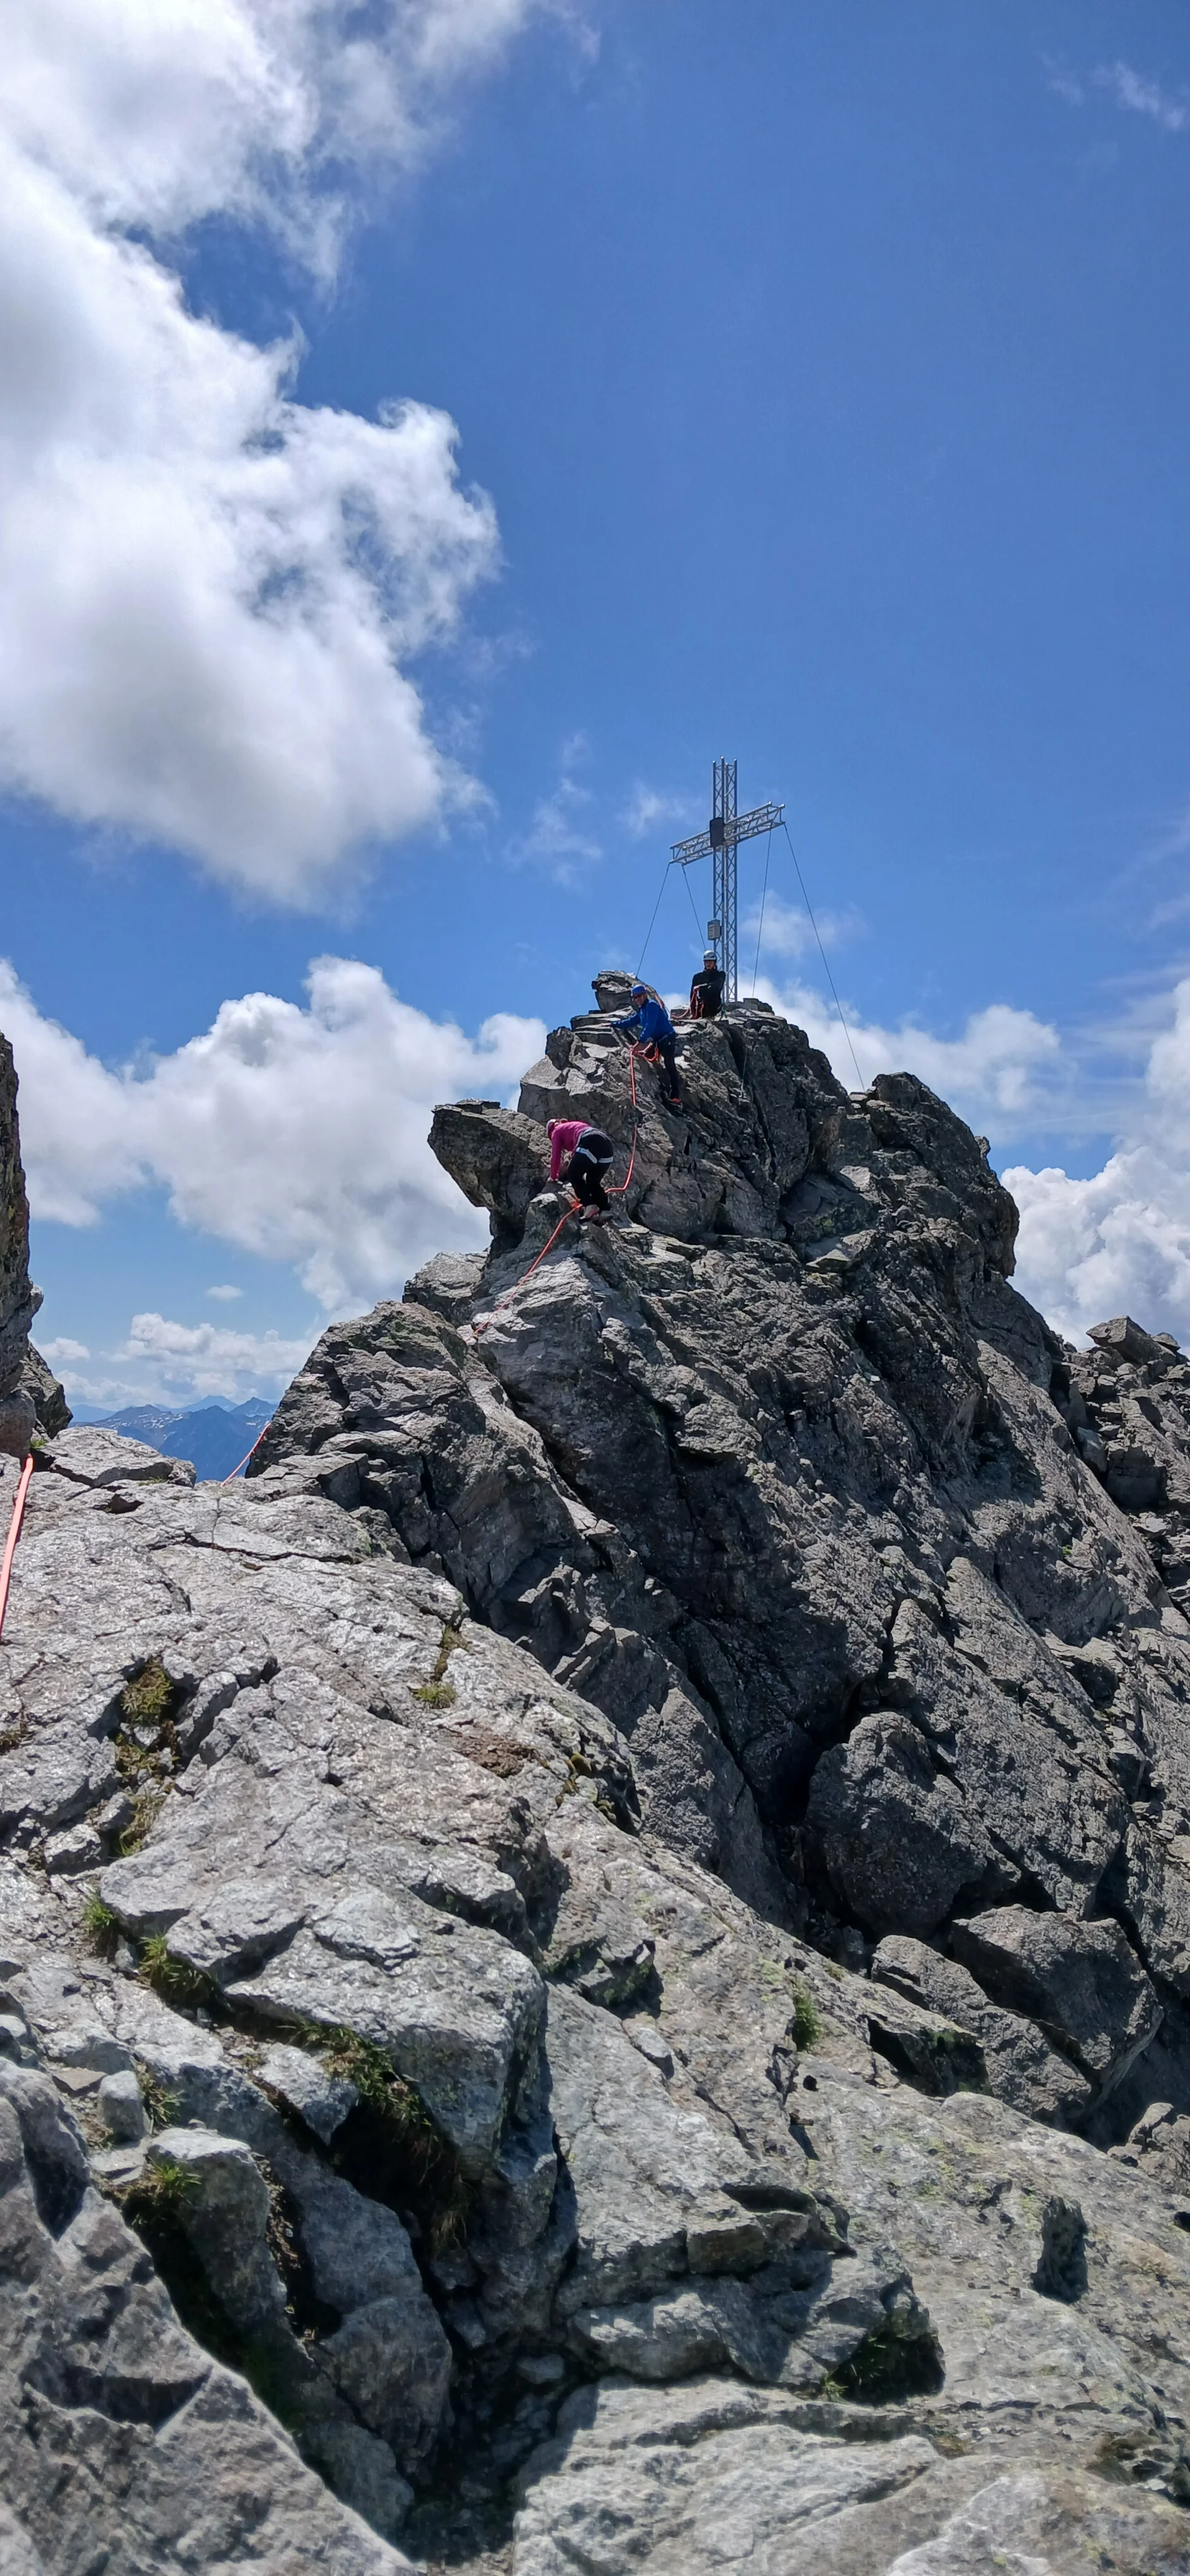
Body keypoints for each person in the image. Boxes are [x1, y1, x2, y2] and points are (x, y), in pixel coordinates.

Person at [611, 984, 683, 1109]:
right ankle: (661, 1087)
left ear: (645, 995)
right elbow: (630, 1021)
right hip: (658, 1041)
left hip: (667, 1039)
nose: (637, 999)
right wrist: (613, 1025)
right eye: (635, 998)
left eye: (639, 996)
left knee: (669, 1063)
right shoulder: (642, 1011)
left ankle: (676, 1096)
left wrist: (640, 1043)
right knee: (646, 1057)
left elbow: (650, 1026)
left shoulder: (652, 1006)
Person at [547, 1118, 615, 1220]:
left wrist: (553, 1177)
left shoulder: (556, 1131)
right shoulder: (573, 1125)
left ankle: (589, 1205)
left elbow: (556, 1156)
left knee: (573, 1174)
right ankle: (605, 1210)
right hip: (607, 1147)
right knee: (593, 1182)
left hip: (590, 1140)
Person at [689, 950, 726, 1020]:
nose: (708, 964)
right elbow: (692, 996)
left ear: (715, 963)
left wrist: (700, 987)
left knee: (710, 995)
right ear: (704, 963)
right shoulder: (698, 977)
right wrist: (693, 1012)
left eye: (711, 962)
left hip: (715, 1007)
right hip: (702, 1008)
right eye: (707, 962)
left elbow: (716, 986)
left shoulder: (720, 975)